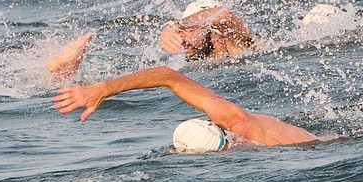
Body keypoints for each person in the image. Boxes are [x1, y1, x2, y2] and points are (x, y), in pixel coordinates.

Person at [53, 66, 320, 153]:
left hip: (324, 146)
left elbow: (168, 75)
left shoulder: (240, 124)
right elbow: (168, 76)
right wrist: (104, 88)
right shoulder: (227, 119)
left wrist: (105, 89)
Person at [157, 0, 256, 60]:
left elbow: (225, 14)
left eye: (190, 29)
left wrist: (178, 25)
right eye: (179, 32)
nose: (181, 35)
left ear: (210, 28)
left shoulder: (237, 43)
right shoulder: (198, 55)